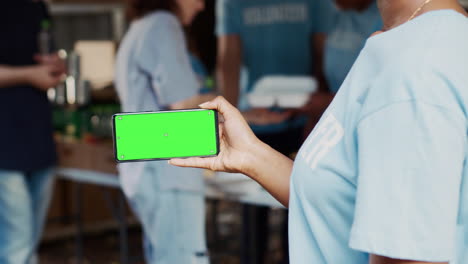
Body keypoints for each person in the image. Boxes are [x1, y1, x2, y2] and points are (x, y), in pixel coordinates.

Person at [171, 0, 468, 263]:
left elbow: (408, 256)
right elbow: (341, 205)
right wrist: (251, 155)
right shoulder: (409, 43)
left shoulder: (414, 71)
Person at [215, 1, 335, 262]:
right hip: (253, 123)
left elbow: (321, 53)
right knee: (253, 211)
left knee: (296, 206)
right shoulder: (232, 3)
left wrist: (314, 111)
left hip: (298, 120)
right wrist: (230, 115)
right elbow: (229, 59)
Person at [115, 0, 214, 263]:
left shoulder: (139, 28)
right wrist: (232, 104)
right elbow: (182, 104)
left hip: (146, 169)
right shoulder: (163, 25)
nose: (202, 6)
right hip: (167, 172)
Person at [0, 1, 64, 263]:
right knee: (17, 246)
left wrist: (56, 65)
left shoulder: (37, 7)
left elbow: (43, 59)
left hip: (38, 137)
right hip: (4, 146)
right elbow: (31, 72)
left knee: (28, 245)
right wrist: (29, 75)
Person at [303, 0, 383, 136]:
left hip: (363, 122)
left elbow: (381, 90)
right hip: (332, 120)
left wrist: (328, 102)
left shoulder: (383, 20)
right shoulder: (338, 16)